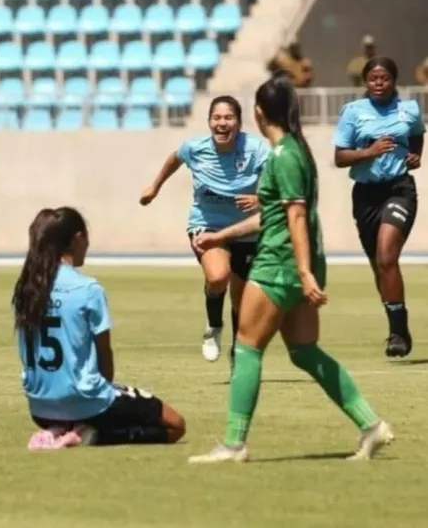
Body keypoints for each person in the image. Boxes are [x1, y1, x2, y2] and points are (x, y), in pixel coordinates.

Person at [186, 75, 394, 464]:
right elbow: (275, 214)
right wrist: (221, 236)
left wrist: (302, 272)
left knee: (247, 347)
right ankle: (371, 425)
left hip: (280, 265)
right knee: (303, 351)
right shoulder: (297, 151)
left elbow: (295, 217)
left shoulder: (282, 155)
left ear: (259, 113)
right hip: (300, 262)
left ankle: (233, 444)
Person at [12, 207, 186, 450]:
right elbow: (105, 356)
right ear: (77, 239)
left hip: (41, 408)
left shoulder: (26, 290)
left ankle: (60, 430)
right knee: (175, 425)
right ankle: (88, 434)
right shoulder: (88, 289)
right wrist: (99, 400)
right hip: (85, 400)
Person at [140, 96, 269, 367]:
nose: (222, 123)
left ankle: (239, 351)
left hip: (247, 229)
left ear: (239, 122)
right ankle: (213, 325)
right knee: (218, 276)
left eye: (228, 118)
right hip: (207, 223)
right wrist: (155, 187)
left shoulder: (256, 148)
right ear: (209, 121)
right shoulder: (195, 147)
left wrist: (260, 199)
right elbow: (174, 159)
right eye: (216, 118)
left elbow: (277, 182)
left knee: (242, 299)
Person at [334, 57, 425, 357]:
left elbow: (417, 134)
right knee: (379, 266)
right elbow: (340, 157)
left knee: (387, 256)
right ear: (365, 82)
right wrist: (368, 152)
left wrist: (415, 155)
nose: (379, 83)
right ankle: (395, 326)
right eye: (373, 79)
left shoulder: (409, 109)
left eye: (384, 78)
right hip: (365, 195)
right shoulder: (353, 112)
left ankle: (399, 332)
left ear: (393, 80)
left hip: (399, 189)